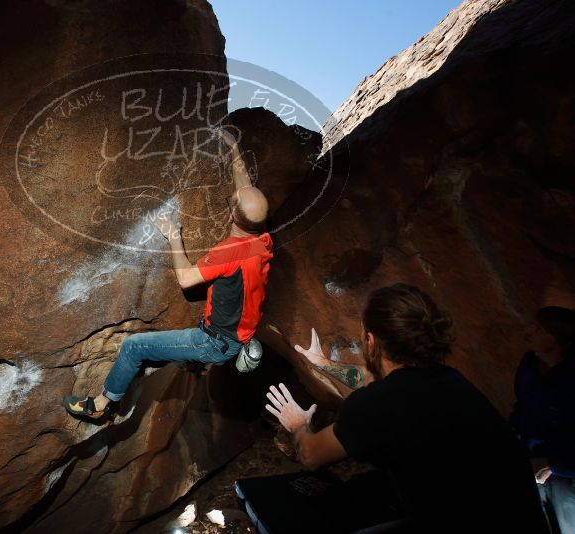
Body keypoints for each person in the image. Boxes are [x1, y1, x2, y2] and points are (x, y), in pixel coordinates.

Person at [264, 283, 549, 532]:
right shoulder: (449, 379)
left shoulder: (374, 405)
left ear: (371, 340)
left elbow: (311, 456)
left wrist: (298, 425)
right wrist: (324, 364)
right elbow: (376, 378)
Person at [63, 127, 273, 421]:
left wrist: (174, 235)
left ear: (231, 216)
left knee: (134, 347)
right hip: (240, 331)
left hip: (214, 342)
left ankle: (102, 405)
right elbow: (245, 189)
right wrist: (234, 148)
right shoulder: (262, 241)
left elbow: (186, 279)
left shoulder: (229, 252)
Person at [510, 306, 575, 534]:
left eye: (539, 329)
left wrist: (554, 464)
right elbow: (522, 408)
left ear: (557, 337)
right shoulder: (529, 365)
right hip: (534, 468)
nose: (530, 333)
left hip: (565, 479)